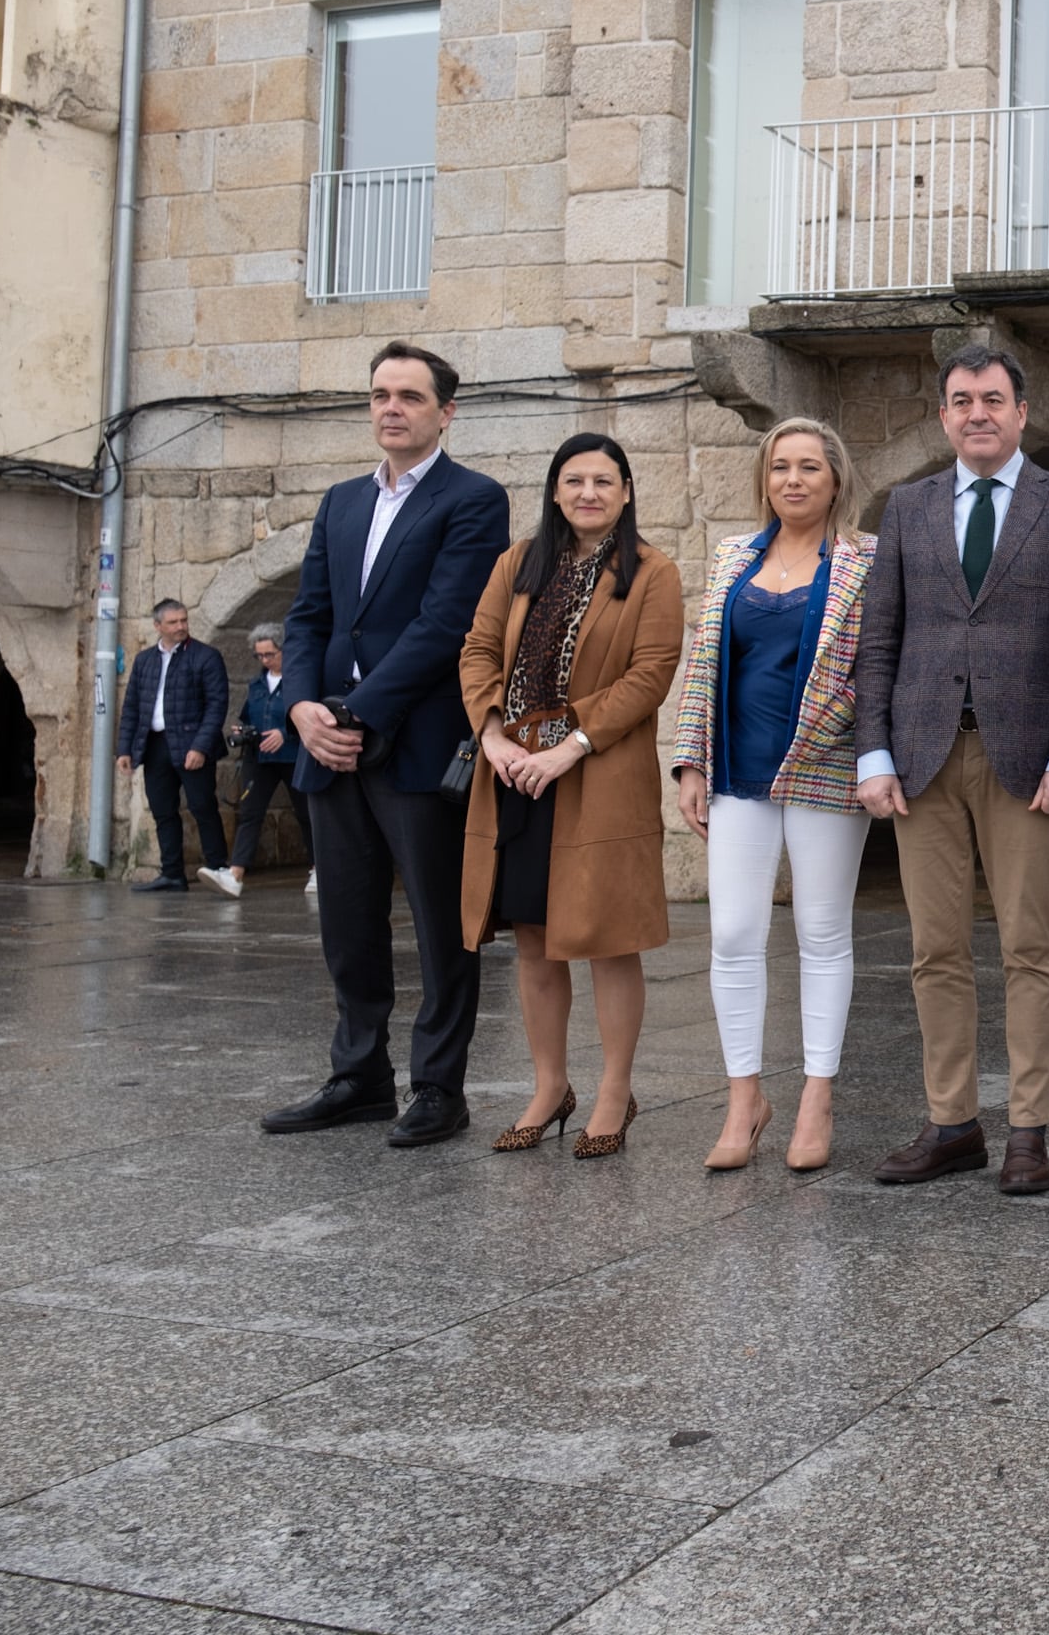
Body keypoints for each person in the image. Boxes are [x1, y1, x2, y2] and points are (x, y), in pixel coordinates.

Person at [856, 345, 1049, 1196]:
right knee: (936, 949)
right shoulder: (907, 505)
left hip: (1028, 761)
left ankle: (1028, 1130)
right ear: (942, 415)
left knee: (1030, 947)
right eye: (961, 400)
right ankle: (952, 1120)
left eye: (993, 399)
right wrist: (874, 751)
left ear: (1022, 411)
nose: (977, 413)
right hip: (922, 758)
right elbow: (878, 639)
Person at [263, 342, 511, 1147]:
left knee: (443, 925)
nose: (390, 407)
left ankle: (440, 1086)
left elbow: (447, 623)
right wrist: (303, 707)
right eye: (379, 394)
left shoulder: (474, 499)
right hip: (325, 743)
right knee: (347, 919)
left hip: (413, 740)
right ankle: (359, 1075)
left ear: (446, 410)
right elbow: (309, 617)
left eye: (409, 395)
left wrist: (358, 712)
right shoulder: (340, 502)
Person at [458, 434, 684, 1160]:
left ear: (625, 492)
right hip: (515, 770)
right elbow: (478, 650)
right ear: (555, 490)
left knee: (608, 939)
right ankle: (550, 1085)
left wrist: (568, 747)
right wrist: (492, 737)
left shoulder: (652, 572)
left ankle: (615, 1090)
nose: (589, 492)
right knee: (532, 937)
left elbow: (649, 675)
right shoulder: (517, 563)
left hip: (597, 772)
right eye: (574, 480)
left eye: (604, 481)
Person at [673, 417, 877, 1173]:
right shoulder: (732, 557)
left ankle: (817, 1097)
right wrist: (691, 761)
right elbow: (702, 665)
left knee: (822, 935)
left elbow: (877, 665)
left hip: (824, 766)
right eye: (780, 467)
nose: (793, 479)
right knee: (732, 934)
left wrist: (850, 729)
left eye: (809, 468)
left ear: (835, 480)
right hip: (736, 770)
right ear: (765, 479)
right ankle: (744, 1099)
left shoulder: (866, 561)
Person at [115, 598, 229, 894]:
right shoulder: (144, 660)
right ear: (158, 626)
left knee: (203, 806)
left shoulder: (206, 656)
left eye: (183, 620)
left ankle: (219, 869)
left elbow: (217, 707)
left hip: (192, 744)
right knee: (163, 810)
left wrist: (201, 747)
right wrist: (124, 749)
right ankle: (172, 874)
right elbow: (132, 708)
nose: (181, 626)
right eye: (173, 622)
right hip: (155, 745)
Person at [207, 622, 311, 899]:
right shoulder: (257, 684)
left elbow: (312, 716)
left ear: (285, 651)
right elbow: (247, 716)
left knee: (306, 813)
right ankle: (236, 873)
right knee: (251, 812)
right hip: (260, 756)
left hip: (293, 756)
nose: (265, 660)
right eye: (260, 656)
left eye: (270, 654)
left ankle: (319, 867)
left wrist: (285, 733)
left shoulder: (302, 679)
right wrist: (242, 730)